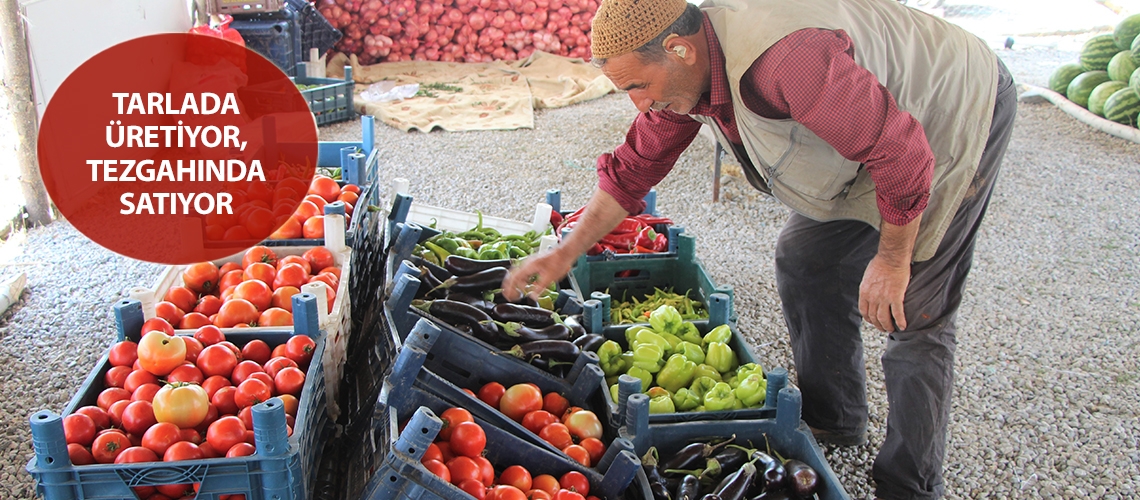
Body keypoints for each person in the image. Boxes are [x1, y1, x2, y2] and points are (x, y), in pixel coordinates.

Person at [502, 0, 1017, 496]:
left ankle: (911, 485)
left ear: (680, 49)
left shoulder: (784, 61)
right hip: (871, 137)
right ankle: (834, 419)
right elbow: (633, 169)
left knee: (914, 312)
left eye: (639, 85)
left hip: (951, 110)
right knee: (806, 259)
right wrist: (564, 253)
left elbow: (903, 152)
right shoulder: (690, 76)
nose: (639, 102)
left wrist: (892, 258)